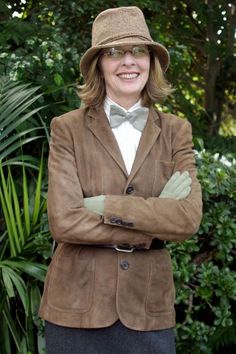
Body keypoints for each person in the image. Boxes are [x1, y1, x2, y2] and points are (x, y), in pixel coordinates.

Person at [39, 6, 202, 354]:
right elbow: (64, 221)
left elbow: (187, 219)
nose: (128, 61)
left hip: (148, 307)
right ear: (99, 63)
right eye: (114, 52)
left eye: (138, 51)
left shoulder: (176, 131)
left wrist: (105, 206)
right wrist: (153, 221)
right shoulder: (67, 128)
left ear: (151, 61)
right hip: (75, 306)